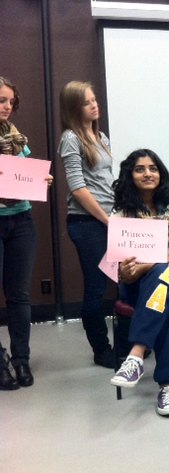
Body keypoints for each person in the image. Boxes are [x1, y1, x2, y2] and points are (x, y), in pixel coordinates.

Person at [109, 149, 169, 416]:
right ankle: (167, 388)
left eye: (153, 168)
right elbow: (121, 265)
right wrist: (129, 271)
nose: (147, 173)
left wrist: (147, 266)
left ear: (161, 172)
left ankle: (136, 355)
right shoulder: (121, 211)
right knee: (166, 301)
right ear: (130, 175)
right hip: (138, 283)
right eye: (140, 169)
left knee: (163, 273)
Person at [0, 77, 52, 390]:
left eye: (9, 101)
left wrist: (40, 182)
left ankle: (21, 359)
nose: (7, 107)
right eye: (1, 100)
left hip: (21, 221)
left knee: (19, 295)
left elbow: (25, 175)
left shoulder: (17, 138)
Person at [59, 81, 115, 368]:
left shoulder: (102, 136)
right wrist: (107, 219)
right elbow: (78, 188)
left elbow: (106, 182)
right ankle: (100, 349)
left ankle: (128, 344)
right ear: (73, 108)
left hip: (108, 219)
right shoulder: (71, 138)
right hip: (86, 223)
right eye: (86, 102)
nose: (95, 105)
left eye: (94, 100)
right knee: (96, 287)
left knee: (124, 281)